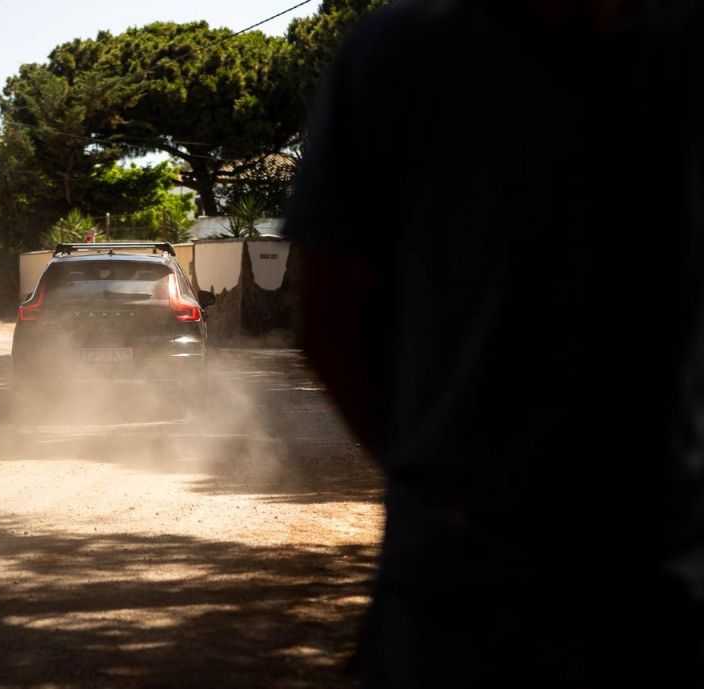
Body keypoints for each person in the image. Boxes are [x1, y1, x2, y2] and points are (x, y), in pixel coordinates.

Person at [287, 0, 703, 686]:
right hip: (646, 565)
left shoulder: (398, 51)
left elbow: (327, 316)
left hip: (459, 566)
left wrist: (425, 474)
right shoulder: (679, 51)